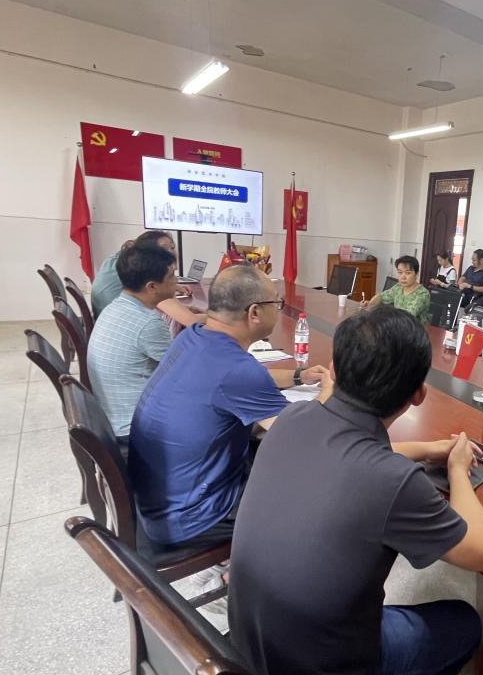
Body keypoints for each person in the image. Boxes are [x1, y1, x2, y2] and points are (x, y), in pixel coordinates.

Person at [229, 307, 483, 675]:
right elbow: (481, 554)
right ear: (419, 394)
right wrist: (459, 469)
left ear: (334, 370)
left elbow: (353, 453)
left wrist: (426, 448)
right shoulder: (394, 480)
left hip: (248, 652)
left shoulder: (293, 418)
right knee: (464, 622)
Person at [129, 265, 329, 550]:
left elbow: (235, 380)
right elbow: (303, 434)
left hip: (159, 498)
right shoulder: (237, 370)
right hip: (193, 518)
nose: (278, 309)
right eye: (276, 303)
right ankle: (248, 562)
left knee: (263, 443)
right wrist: (330, 389)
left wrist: (298, 376)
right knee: (315, 479)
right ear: (255, 312)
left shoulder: (194, 335)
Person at [86, 244, 178, 439]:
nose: (176, 281)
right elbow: (183, 373)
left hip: (112, 417)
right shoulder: (148, 322)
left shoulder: (115, 307)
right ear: (152, 286)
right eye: (172, 276)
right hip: (133, 429)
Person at [92, 229, 204, 328]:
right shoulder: (146, 273)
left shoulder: (125, 260)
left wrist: (173, 285)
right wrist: (212, 317)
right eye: (164, 249)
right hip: (122, 325)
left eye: (172, 247)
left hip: (105, 321)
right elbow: (190, 321)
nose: (171, 253)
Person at [364, 256, 431, 323]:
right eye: (400, 272)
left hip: (416, 327)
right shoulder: (398, 287)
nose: (403, 277)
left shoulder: (422, 293)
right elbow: (381, 296)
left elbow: (408, 314)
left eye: (408, 273)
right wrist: (369, 304)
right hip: (398, 324)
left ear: (416, 274)